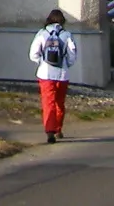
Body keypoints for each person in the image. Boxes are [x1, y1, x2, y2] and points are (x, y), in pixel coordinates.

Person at [29, 8, 77, 143]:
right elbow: (72, 55)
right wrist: (66, 64)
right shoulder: (67, 35)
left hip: (45, 74)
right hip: (62, 75)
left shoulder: (42, 33)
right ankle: (58, 129)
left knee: (48, 102)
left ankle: (50, 130)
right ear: (62, 21)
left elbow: (33, 54)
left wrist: (42, 62)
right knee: (59, 103)